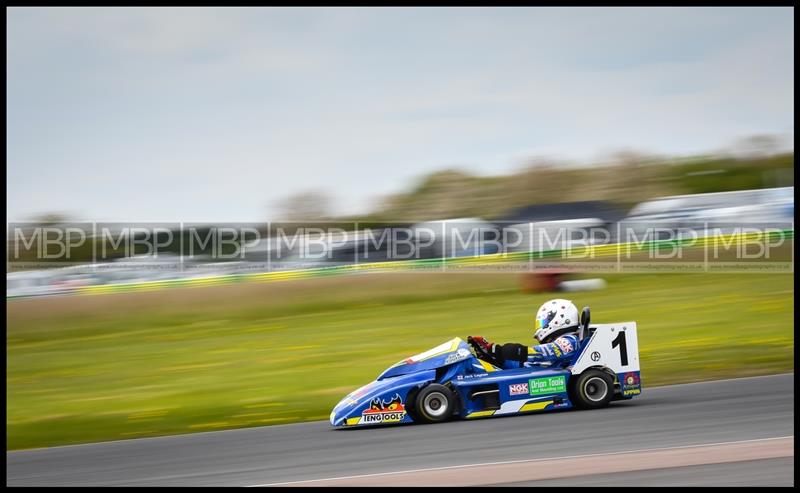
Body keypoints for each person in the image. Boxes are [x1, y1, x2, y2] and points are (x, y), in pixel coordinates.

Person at [468, 299, 582, 370]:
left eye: (543, 322)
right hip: (538, 373)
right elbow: (528, 364)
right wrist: (496, 359)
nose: (540, 326)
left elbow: (541, 354)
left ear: (560, 319)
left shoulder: (570, 341)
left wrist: (505, 351)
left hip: (548, 380)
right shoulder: (565, 343)